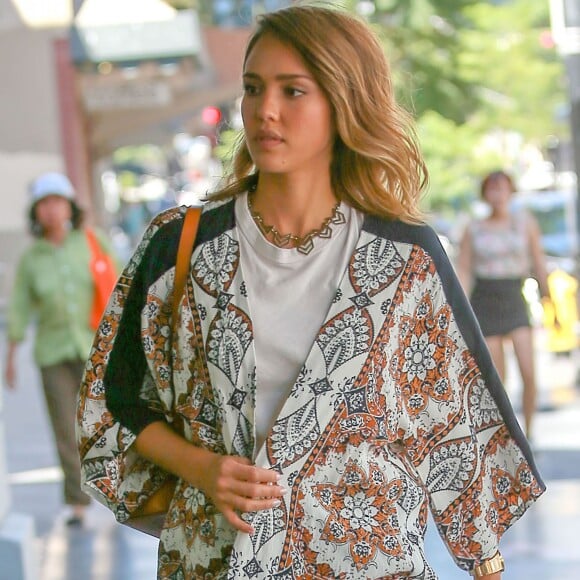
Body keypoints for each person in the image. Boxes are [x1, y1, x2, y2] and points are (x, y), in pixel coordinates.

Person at [78, 5, 544, 578]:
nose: (265, 110)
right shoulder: (184, 245)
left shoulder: (406, 255)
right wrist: (201, 468)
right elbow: (115, 397)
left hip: (371, 559)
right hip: (222, 557)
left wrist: (485, 563)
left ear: (342, 101)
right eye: (253, 88)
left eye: (293, 91)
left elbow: (459, 425)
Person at [4, 171, 118, 526]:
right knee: (65, 430)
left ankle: (117, 489)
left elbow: (120, 287)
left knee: (102, 421)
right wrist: (10, 355)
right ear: (36, 213)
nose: (52, 210)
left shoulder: (92, 242)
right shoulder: (32, 258)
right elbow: (20, 307)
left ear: (70, 206)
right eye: (45, 205)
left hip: (95, 349)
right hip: (53, 353)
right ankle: (77, 501)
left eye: (58, 202)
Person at [456, 170, 554, 440]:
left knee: (528, 371)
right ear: (485, 194)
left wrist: (549, 300)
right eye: (492, 188)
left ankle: (530, 430)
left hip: (514, 296)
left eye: (503, 188)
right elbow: (464, 269)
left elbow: (539, 262)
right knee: (498, 378)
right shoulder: (474, 228)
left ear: (511, 192)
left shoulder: (525, 224)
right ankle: (507, 434)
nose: (498, 194)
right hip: (485, 299)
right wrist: (459, 306)